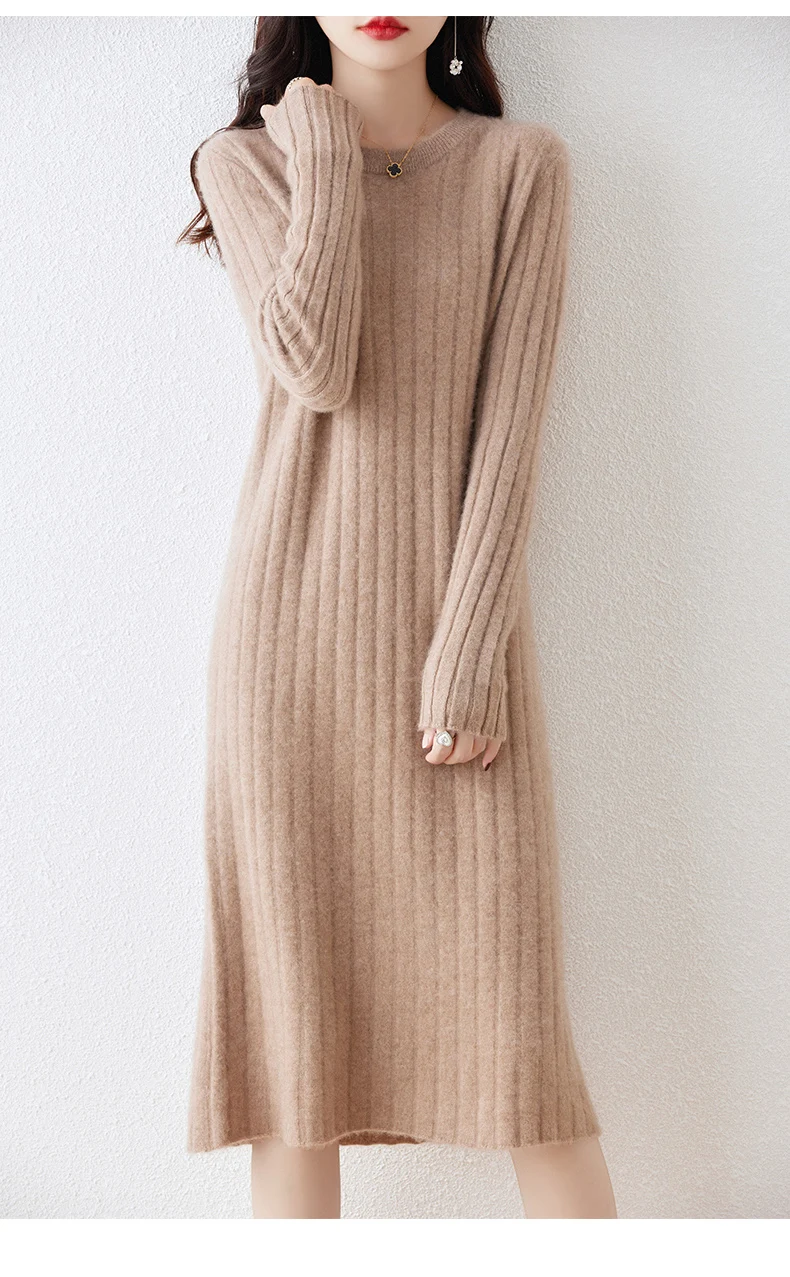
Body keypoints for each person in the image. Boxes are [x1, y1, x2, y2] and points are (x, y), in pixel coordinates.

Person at [178, 15, 617, 1220]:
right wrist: (321, 152)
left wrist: (466, 652)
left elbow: (510, 429)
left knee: (524, 1065)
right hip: (288, 657)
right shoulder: (245, 162)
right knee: (295, 1065)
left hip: (457, 660)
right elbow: (314, 367)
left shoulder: (519, 165)